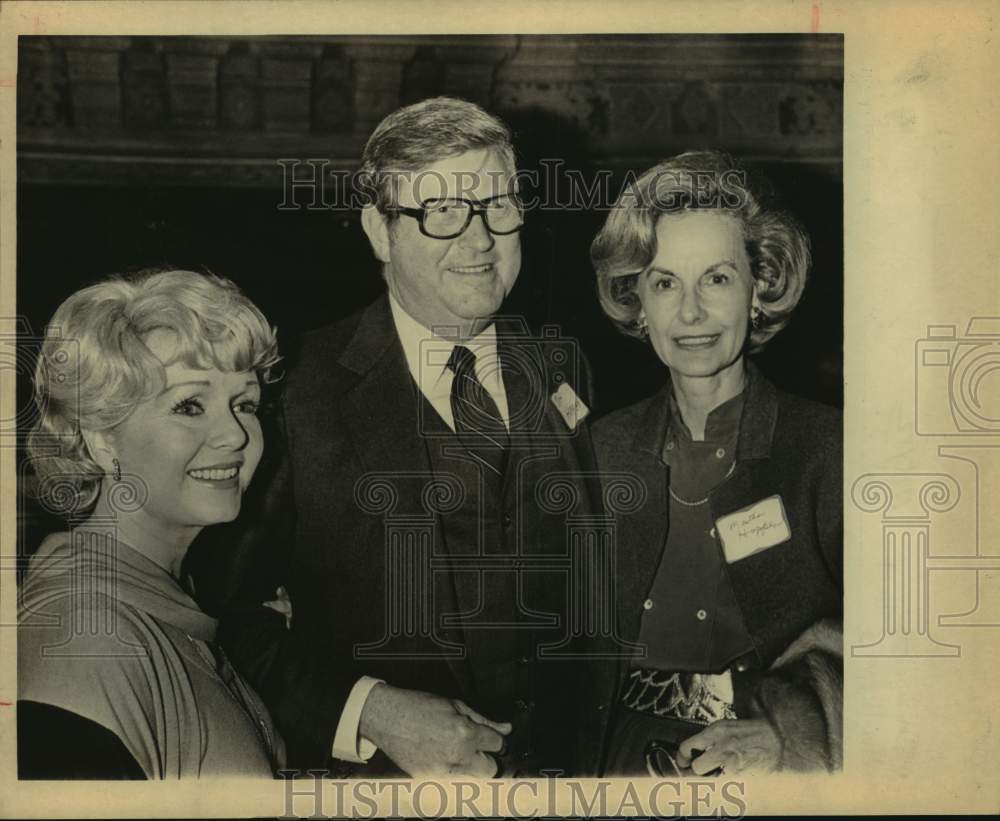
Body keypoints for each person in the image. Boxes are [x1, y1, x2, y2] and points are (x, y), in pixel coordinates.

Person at [189, 96, 605, 778]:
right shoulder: (296, 393)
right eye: (442, 211)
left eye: (498, 204)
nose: (480, 241)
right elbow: (218, 616)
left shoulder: (566, 365)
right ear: (380, 234)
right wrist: (370, 710)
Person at [589, 151, 843, 776]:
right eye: (666, 282)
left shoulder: (830, 447)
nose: (692, 313)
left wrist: (788, 728)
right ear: (637, 302)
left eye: (717, 278)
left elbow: (913, 638)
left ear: (761, 288)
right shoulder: (595, 453)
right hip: (613, 762)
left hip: (772, 765)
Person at [17, 269, 287, 779]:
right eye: (189, 406)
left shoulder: (157, 595)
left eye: (245, 404)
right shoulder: (87, 638)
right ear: (101, 438)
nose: (234, 434)